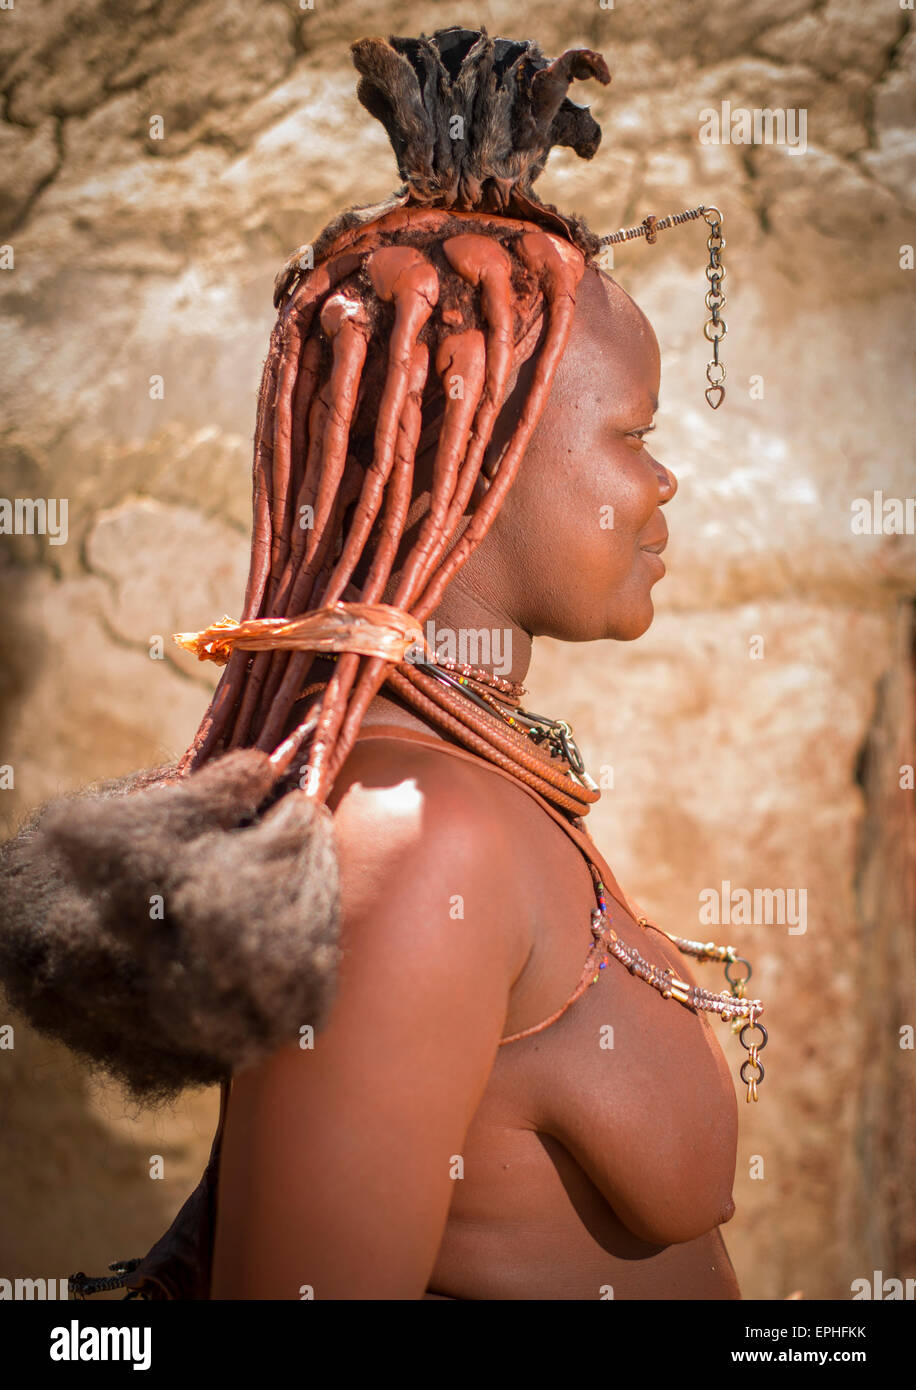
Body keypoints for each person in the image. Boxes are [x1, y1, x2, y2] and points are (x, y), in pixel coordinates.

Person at [0, 26, 762, 1301]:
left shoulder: (481, 789)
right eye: (634, 432)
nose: (663, 478)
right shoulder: (418, 844)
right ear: (489, 455)